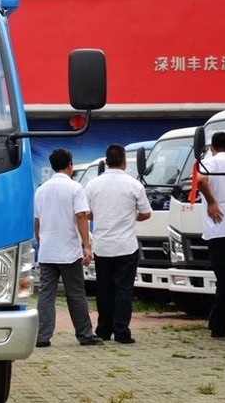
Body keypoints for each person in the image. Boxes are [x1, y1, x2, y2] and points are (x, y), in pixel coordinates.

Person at [34, 148, 103, 347]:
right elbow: (81, 216)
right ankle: (85, 334)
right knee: (76, 293)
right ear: (70, 165)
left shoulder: (41, 190)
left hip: (47, 251)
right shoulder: (75, 188)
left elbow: (37, 221)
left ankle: (42, 336)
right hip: (69, 251)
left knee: (46, 294)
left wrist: (40, 240)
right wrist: (87, 246)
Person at [85, 143, 151, 344]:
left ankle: (104, 330)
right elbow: (146, 213)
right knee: (124, 289)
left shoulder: (93, 185)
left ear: (106, 162)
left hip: (103, 246)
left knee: (104, 290)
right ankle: (122, 331)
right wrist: (132, 217)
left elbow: (86, 213)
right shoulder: (134, 185)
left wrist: (100, 216)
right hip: (126, 246)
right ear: (124, 162)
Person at [195, 131, 225, 338]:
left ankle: (218, 325)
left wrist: (211, 202)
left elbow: (201, 180)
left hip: (218, 229)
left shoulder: (210, 163)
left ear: (212, 148)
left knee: (223, 278)